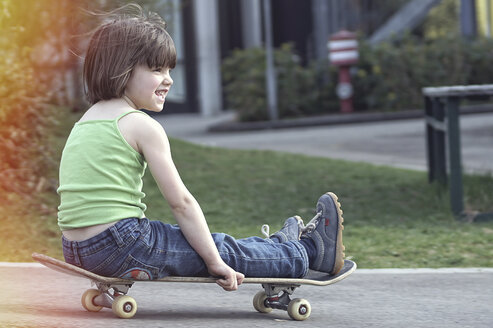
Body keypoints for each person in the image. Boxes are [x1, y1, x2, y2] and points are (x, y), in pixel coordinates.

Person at [58, 4, 345, 292]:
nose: (168, 78)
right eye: (157, 69)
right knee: (218, 248)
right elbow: (180, 203)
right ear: (121, 70)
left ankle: (278, 246)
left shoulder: (85, 121)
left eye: (170, 69)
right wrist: (214, 260)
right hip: (122, 245)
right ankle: (309, 252)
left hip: (76, 248)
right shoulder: (140, 125)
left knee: (201, 243)